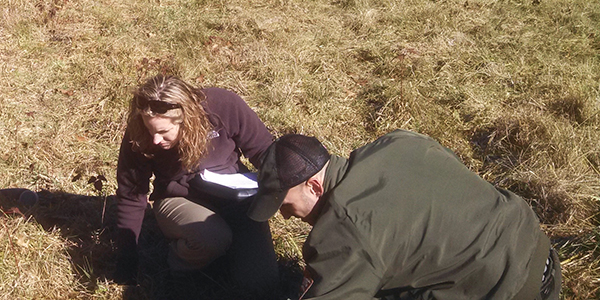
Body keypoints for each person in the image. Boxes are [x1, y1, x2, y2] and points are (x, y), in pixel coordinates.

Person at [249, 130, 561, 300]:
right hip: (540, 250)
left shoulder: (343, 230)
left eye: (285, 205)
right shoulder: (397, 141)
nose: (287, 218)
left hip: (510, 290)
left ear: (314, 186)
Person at [113, 75, 280, 296]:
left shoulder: (224, 106)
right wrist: (127, 257)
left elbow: (265, 153)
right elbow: (131, 193)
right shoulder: (139, 132)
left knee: (260, 284)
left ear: (187, 118)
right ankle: (181, 266)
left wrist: (285, 194)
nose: (155, 139)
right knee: (211, 238)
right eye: (150, 130)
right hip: (179, 198)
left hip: (236, 197)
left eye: (163, 132)